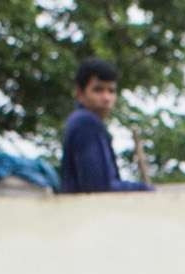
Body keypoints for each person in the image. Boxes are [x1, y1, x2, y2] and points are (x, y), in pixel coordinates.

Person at [58, 59, 145, 193]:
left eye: (111, 91)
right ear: (80, 94)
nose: (106, 98)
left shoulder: (83, 121)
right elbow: (99, 187)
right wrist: (145, 189)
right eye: (98, 90)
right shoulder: (85, 123)